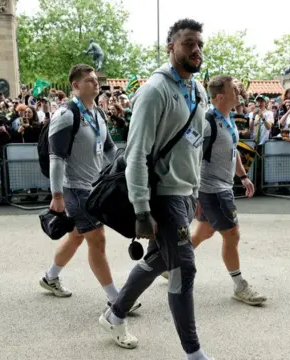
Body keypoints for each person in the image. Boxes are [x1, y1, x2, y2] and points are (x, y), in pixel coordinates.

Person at [99, 19, 212, 360]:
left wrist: (196, 192)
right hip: (161, 195)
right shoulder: (154, 90)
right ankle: (194, 353)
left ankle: (115, 313)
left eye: (199, 44)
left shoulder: (198, 91)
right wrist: (141, 209)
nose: (196, 50)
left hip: (185, 192)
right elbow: (135, 153)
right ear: (171, 47)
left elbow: (193, 147)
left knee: (160, 257)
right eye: (188, 43)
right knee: (184, 267)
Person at [39, 64, 139, 312]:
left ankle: (50, 277)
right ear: (75, 86)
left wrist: (123, 171)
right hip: (74, 188)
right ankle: (116, 298)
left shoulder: (98, 114)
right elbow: (56, 158)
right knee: (97, 238)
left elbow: (108, 150)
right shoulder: (66, 115)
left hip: (94, 188)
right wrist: (57, 195)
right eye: (90, 80)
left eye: (96, 79)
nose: (96, 83)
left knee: (77, 236)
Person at [188, 75, 266, 306]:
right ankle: (240, 286)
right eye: (233, 89)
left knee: (204, 232)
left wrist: (242, 176)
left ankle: (167, 263)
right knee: (232, 234)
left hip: (222, 186)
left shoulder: (229, 117)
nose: (238, 91)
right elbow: (191, 157)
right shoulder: (206, 122)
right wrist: (196, 193)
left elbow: (233, 150)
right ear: (220, 96)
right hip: (212, 189)